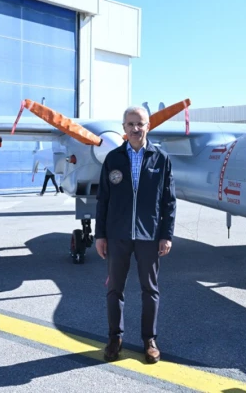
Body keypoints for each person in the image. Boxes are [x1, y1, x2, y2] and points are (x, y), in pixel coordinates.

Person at [94, 105, 176, 364]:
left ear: (148, 127)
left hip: (149, 236)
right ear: (124, 128)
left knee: (150, 290)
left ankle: (149, 340)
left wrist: (166, 235)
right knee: (114, 289)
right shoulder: (113, 159)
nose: (135, 128)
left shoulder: (161, 159)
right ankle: (114, 338)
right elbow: (103, 199)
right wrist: (100, 235)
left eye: (140, 123)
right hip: (117, 235)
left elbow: (169, 201)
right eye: (130, 124)